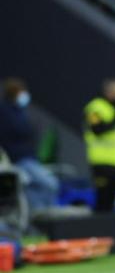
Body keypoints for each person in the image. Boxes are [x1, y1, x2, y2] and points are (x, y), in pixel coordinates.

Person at [0, 78, 59, 215]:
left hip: (29, 156)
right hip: (18, 158)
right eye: (22, 92)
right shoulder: (5, 112)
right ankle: (40, 214)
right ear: (14, 92)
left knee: (31, 188)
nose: (25, 95)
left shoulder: (20, 111)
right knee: (50, 184)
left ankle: (38, 214)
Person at [83, 79, 115, 213]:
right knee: (102, 199)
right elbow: (97, 130)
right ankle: (98, 231)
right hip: (101, 162)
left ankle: (108, 231)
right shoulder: (95, 107)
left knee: (111, 201)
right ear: (109, 92)